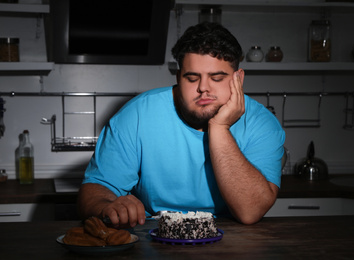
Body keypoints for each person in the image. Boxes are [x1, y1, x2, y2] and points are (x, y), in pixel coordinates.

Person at [77, 22, 285, 226]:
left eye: (217, 78)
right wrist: (107, 206)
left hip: (231, 237)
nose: (204, 88)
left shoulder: (262, 123)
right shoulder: (136, 115)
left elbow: (250, 211)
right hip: (152, 235)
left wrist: (220, 127)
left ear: (238, 79)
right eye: (192, 78)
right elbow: (96, 188)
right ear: (179, 78)